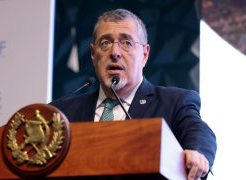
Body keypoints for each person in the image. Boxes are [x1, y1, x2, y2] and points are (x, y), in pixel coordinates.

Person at [50, 9, 216, 180]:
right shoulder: (60, 113)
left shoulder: (174, 102)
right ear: (93, 54)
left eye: (127, 43)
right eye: (105, 43)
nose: (115, 52)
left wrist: (197, 152)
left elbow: (198, 130)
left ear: (144, 54)